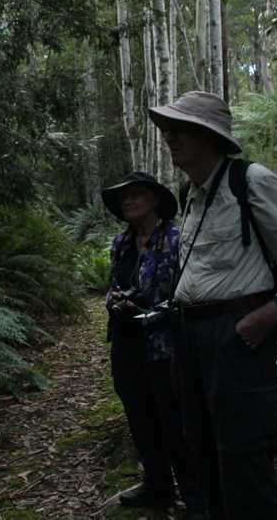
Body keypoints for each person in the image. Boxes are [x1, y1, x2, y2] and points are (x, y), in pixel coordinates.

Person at [148, 91, 277, 520]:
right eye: (167, 128)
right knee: (201, 448)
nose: (169, 136)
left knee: (243, 454)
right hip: (190, 337)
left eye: (180, 128)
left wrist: (274, 312)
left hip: (236, 335)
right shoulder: (191, 194)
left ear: (209, 135)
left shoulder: (252, 181)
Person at [102, 172, 206, 518]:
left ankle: (195, 498)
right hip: (126, 342)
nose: (129, 201)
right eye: (124, 197)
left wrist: (150, 313)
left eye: (137, 194)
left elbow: (187, 292)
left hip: (164, 344)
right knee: (139, 416)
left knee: (173, 420)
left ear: (156, 200)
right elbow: (114, 283)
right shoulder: (121, 243)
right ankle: (157, 485)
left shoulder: (177, 239)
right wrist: (113, 300)